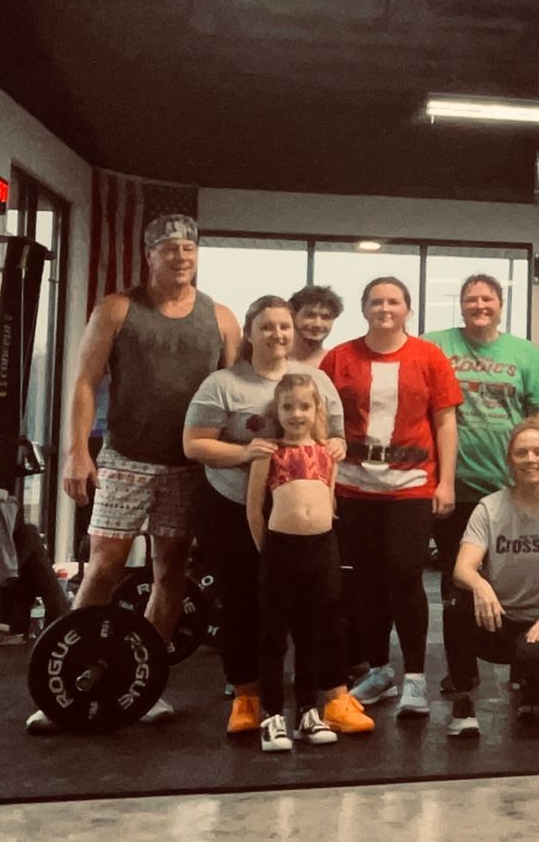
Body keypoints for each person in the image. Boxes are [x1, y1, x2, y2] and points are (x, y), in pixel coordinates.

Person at [32, 214, 240, 734]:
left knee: (170, 571)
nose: (180, 256)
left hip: (187, 466)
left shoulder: (222, 318)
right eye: (168, 248)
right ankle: (69, 680)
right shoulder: (118, 309)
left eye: (188, 248)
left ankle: (141, 684)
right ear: (149, 255)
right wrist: (78, 452)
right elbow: (84, 381)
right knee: (104, 566)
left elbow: (236, 395)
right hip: (124, 459)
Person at [183, 296, 352, 736]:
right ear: (249, 332)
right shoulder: (222, 384)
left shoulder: (314, 381)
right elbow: (194, 444)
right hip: (236, 510)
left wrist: (339, 447)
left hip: (305, 525)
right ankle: (247, 697)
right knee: (243, 606)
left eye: (284, 327)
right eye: (267, 327)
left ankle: (332, 698)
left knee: (324, 609)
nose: (277, 335)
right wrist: (244, 452)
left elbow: (333, 437)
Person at [323, 277, 462, 719]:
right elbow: (322, 424)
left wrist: (447, 483)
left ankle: (415, 678)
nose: (386, 308)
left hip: (412, 486)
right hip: (353, 485)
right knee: (365, 581)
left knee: (404, 575)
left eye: (394, 301)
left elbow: (445, 423)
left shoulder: (429, 356)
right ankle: (380, 671)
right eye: (377, 301)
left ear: (408, 308)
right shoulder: (339, 358)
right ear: (364, 308)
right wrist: (325, 484)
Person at [443, 422, 539, 737]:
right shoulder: (490, 507)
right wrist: (480, 584)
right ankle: (464, 698)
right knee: (455, 602)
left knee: (535, 655)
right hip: (499, 618)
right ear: (510, 460)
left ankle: (533, 697)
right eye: (521, 453)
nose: (530, 459)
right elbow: (462, 568)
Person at [244, 374, 364, 751]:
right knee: (274, 636)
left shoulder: (328, 453)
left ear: (317, 410)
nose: (297, 414)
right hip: (281, 550)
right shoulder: (269, 452)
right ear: (277, 412)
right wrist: (269, 551)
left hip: (322, 548)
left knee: (315, 632)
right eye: (288, 407)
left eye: (304, 406)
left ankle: (309, 711)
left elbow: (329, 501)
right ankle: (273, 714)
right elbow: (252, 511)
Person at [425, 274, 539, 593]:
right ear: (461, 306)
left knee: (504, 571)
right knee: (455, 572)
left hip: (506, 484)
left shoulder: (525, 353)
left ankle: (500, 639)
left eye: (487, 299)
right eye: (471, 300)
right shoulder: (435, 344)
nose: (479, 305)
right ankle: (459, 642)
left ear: (501, 306)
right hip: (453, 485)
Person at [287, 284, 342, 367]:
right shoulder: (273, 360)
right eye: (310, 315)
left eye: (325, 317)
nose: (317, 324)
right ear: (293, 316)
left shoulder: (338, 365)